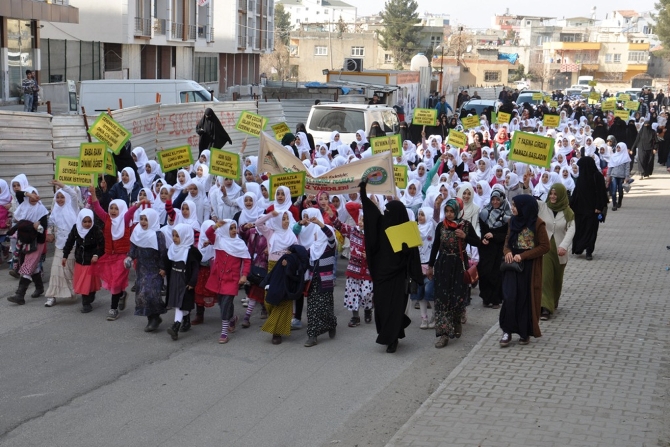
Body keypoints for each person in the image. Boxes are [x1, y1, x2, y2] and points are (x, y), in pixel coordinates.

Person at [360, 180, 422, 353]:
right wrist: (363, 192)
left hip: (398, 277)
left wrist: (406, 251)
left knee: (394, 309)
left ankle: (392, 339)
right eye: (385, 210)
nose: (386, 214)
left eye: (389, 212)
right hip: (381, 276)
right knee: (381, 306)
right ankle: (393, 331)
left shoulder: (406, 230)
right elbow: (371, 213)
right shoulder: (381, 226)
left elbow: (413, 255)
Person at [427, 198, 480, 348]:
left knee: (457, 297)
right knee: (442, 299)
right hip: (443, 264)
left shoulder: (465, 226)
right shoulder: (440, 227)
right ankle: (444, 334)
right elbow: (435, 246)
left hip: (458, 265)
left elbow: (477, 242)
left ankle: (457, 322)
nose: (449, 214)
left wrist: (465, 237)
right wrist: (430, 266)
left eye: (452, 211)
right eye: (447, 211)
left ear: (458, 211)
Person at [499, 195, 550, 347]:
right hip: (511, 265)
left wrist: (524, 256)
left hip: (528, 267)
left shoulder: (537, 223)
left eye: (515, 205)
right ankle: (506, 331)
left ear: (525, 207)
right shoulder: (512, 221)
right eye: (513, 205)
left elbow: (544, 246)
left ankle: (524, 332)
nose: (513, 208)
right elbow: (507, 241)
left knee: (524, 299)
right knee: (509, 297)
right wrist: (507, 252)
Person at [89, 186, 137, 320]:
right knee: (112, 281)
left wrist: (138, 205)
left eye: (116, 208)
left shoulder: (125, 220)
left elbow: (129, 213)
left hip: (122, 256)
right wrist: (93, 194)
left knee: (116, 281)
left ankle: (113, 308)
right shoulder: (107, 219)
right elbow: (97, 208)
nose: (113, 211)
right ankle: (121, 294)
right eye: (111, 208)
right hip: (109, 255)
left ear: (121, 210)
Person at [205, 220, 251, 344]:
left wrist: (244, 275)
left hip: (231, 279)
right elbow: (208, 232)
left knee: (226, 302)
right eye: (230, 228)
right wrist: (216, 225)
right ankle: (232, 318)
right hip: (218, 277)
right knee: (221, 302)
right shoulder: (219, 240)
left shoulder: (240, 243)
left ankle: (224, 332)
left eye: (235, 228)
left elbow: (247, 260)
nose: (234, 231)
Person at [255, 210, 298, 345]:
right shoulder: (270, 233)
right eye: (283, 219)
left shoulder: (292, 236)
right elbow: (258, 223)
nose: (286, 221)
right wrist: (271, 215)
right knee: (269, 299)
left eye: (287, 219)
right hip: (272, 268)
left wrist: (289, 260)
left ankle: (277, 332)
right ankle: (275, 323)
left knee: (283, 300)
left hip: (286, 269)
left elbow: (297, 253)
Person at [296, 208, 338, 347]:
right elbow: (301, 255)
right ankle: (312, 335)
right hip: (313, 282)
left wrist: (320, 223)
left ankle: (331, 325)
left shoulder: (330, 247)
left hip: (325, 282)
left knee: (326, 307)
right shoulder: (312, 249)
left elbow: (331, 236)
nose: (317, 236)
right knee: (312, 308)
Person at [126, 208, 167, 332]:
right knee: (142, 294)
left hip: (155, 269)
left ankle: (155, 318)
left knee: (152, 293)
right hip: (142, 268)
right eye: (141, 219)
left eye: (146, 219)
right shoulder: (137, 232)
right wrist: (129, 257)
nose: (143, 222)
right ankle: (152, 319)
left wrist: (163, 267)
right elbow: (133, 248)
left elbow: (162, 253)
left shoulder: (158, 235)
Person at [538, 184, 575, 321]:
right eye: (551, 194)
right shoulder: (543, 207)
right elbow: (527, 201)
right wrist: (525, 184)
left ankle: (553, 300)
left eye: (556, 194)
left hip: (560, 250)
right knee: (546, 277)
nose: (553, 197)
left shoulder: (568, 212)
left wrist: (564, 245)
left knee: (557, 279)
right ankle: (545, 307)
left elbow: (571, 229)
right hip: (545, 248)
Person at [7, 187, 49, 304]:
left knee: (27, 266)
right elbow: (18, 194)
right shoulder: (23, 205)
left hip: (36, 242)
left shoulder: (41, 210)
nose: (34, 197)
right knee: (33, 267)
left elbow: (43, 228)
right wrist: (29, 194)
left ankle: (20, 295)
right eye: (31, 194)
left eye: (36, 194)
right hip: (24, 241)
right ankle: (39, 288)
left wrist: (38, 227)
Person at [161, 223, 202, 340]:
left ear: (185, 236)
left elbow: (195, 269)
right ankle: (187, 320)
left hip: (185, 280)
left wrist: (192, 282)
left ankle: (175, 327)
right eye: (173, 235)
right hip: (174, 278)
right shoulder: (173, 249)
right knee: (178, 302)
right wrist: (163, 269)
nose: (174, 238)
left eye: (177, 236)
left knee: (180, 303)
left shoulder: (191, 251)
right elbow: (168, 262)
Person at [337, 201, 373, 327]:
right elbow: (339, 225)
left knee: (367, 293)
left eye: (365, 220)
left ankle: (368, 309)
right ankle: (355, 317)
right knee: (353, 294)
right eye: (361, 219)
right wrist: (361, 206)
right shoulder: (353, 231)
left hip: (368, 270)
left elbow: (380, 252)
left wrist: (370, 255)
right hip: (353, 269)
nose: (361, 222)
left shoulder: (374, 235)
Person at [61, 209, 104, 313]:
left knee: (89, 283)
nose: (87, 224)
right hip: (80, 260)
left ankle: (88, 299)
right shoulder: (76, 228)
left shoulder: (95, 229)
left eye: (89, 221)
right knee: (84, 283)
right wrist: (65, 255)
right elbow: (70, 242)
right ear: (80, 221)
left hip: (91, 261)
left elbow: (103, 244)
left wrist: (96, 254)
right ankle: (86, 303)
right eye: (85, 222)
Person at [43, 185, 80, 307]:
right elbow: (49, 223)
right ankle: (52, 296)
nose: (59, 200)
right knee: (55, 271)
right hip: (59, 246)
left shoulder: (73, 208)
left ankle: (70, 292)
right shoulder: (55, 211)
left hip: (72, 246)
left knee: (68, 271)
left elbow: (74, 195)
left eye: (62, 197)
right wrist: (47, 231)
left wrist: (62, 186)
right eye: (57, 197)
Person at [477, 188, 512, 309]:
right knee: (484, 272)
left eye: (498, 199)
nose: (495, 202)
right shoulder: (484, 213)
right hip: (486, 248)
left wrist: (494, 235)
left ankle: (496, 299)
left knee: (496, 274)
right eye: (493, 199)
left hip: (499, 249)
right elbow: (480, 229)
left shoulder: (507, 216)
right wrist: (483, 238)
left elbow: (508, 234)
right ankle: (486, 298)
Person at [570, 157, 608, 261]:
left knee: (591, 231)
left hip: (593, 210)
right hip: (580, 210)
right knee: (580, 229)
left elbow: (602, 194)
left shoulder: (597, 176)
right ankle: (579, 248)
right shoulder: (581, 177)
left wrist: (599, 207)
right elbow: (576, 193)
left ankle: (589, 251)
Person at [607, 142, 631, 211]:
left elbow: (627, 168)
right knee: (614, 191)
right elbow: (610, 166)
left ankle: (619, 202)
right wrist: (608, 176)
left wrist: (627, 177)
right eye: (617, 147)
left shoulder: (626, 158)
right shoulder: (613, 156)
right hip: (614, 175)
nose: (618, 149)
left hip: (621, 176)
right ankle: (614, 204)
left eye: (619, 147)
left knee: (620, 191)